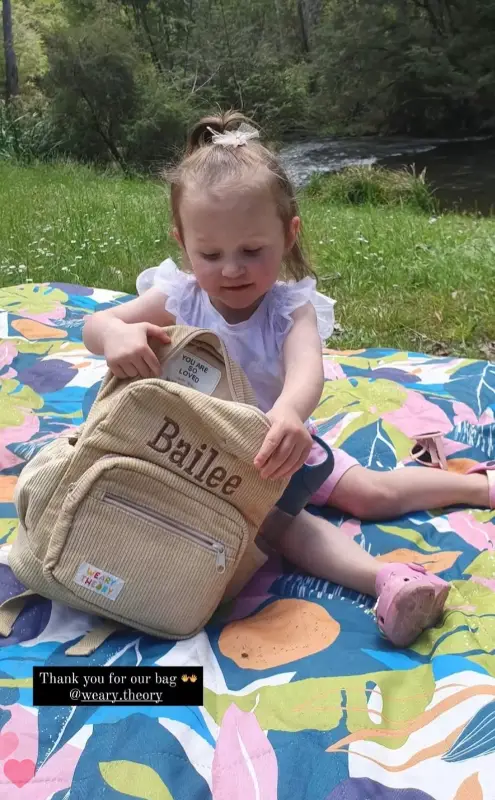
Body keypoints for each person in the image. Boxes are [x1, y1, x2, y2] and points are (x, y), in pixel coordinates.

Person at [82, 111, 494, 648]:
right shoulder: (180, 296)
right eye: (210, 254)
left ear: (288, 233)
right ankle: (387, 579)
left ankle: (476, 489)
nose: (231, 270)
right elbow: (95, 324)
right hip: (189, 456)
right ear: (182, 243)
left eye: (252, 251)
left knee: (367, 493)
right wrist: (115, 336)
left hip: (277, 445)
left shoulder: (288, 309)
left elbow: (307, 371)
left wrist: (290, 413)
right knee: (272, 528)